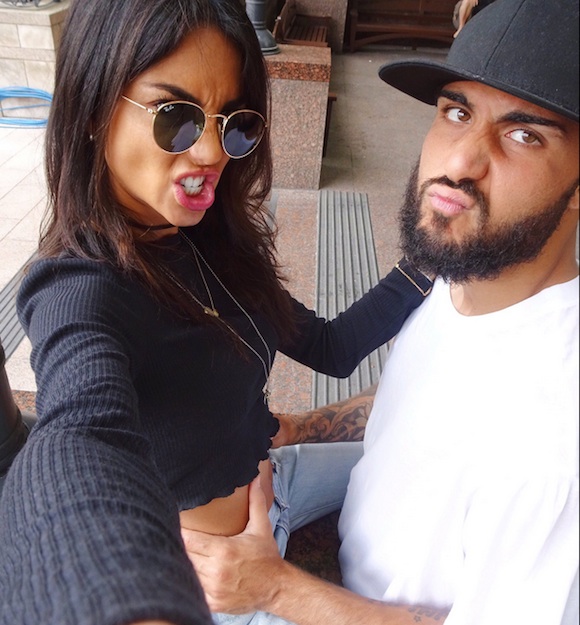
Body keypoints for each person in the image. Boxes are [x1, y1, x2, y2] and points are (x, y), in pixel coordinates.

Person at [0, 0, 433, 624]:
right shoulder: (79, 288)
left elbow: (331, 348)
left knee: (431, 465)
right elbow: (79, 435)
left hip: (276, 483)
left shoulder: (206, 240)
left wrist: (431, 262)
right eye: (175, 117)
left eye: (234, 123)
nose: (209, 151)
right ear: (94, 109)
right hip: (223, 581)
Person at [182, 0, 580, 623]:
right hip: (337, 530)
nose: (459, 162)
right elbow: (418, 402)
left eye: (523, 134)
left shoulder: (555, 440)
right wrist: (297, 428)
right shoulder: (464, 279)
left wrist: (276, 590)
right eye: (457, 112)